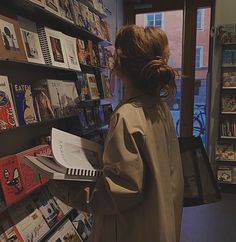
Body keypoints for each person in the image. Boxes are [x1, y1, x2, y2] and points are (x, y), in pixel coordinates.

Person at [49, 25, 184, 242]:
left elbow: (116, 193)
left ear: (119, 67)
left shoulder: (126, 116)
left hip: (128, 231)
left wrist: (62, 187)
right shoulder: (160, 108)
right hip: (158, 225)